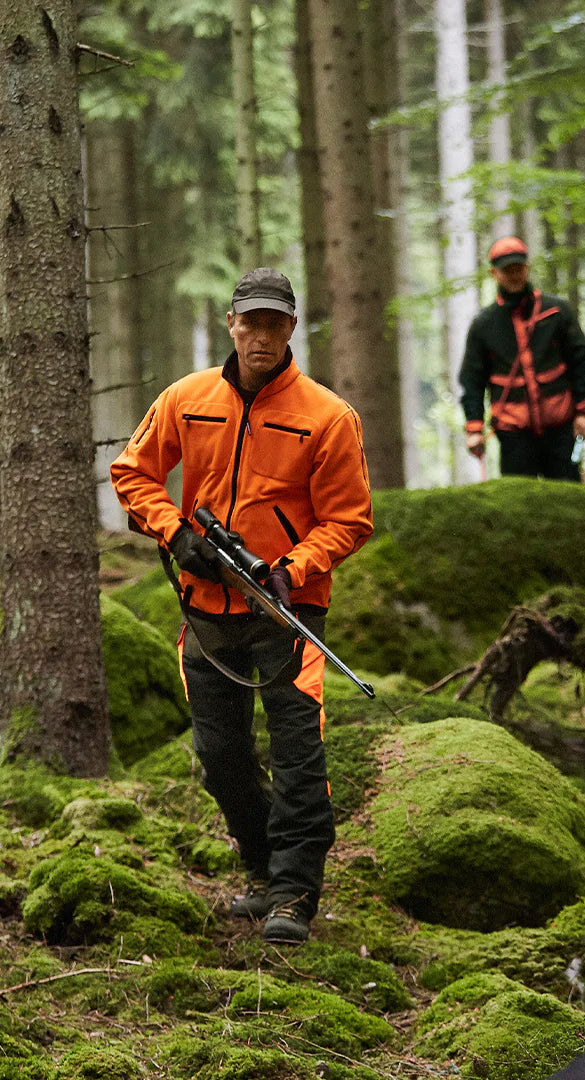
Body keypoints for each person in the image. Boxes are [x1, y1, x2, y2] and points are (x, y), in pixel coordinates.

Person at [111, 267, 372, 945]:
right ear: (231, 324)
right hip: (204, 609)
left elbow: (350, 520)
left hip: (289, 614)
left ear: (291, 329)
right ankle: (259, 870)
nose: (260, 335)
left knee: (297, 755)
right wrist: (176, 533)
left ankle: (294, 891)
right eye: (249, 322)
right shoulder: (186, 399)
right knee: (219, 755)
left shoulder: (327, 417)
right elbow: (132, 472)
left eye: (273, 323)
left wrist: (292, 569)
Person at [460, 236, 585, 480]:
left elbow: (581, 362)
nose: (514, 275)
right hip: (513, 434)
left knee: (567, 498)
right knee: (518, 504)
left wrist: (584, 412)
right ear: (494, 273)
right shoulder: (484, 325)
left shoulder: (557, 311)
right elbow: (472, 380)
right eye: (507, 270)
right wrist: (474, 428)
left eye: (519, 268)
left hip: (560, 427)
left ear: (527, 267)